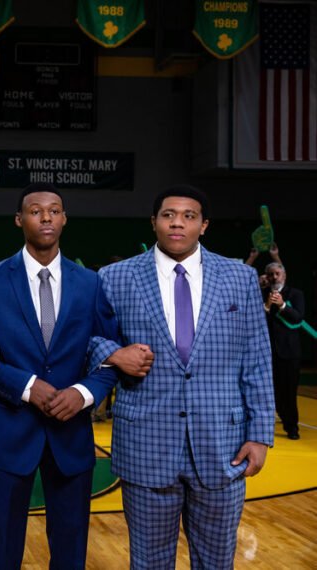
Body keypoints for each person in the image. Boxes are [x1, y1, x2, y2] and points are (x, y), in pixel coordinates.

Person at [88, 185, 274, 568]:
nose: (177, 222)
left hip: (224, 445)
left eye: (189, 216)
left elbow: (257, 359)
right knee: (149, 562)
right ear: (153, 222)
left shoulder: (239, 277)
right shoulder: (114, 278)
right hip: (146, 444)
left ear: (204, 225)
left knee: (216, 562)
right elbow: (85, 338)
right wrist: (113, 353)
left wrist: (259, 435)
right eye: (168, 214)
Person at [0, 183, 118, 569]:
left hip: (70, 432)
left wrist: (84, 393)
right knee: (2, 547)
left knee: (71, 546)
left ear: (64, 219)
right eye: (35, 210)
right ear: (19, 219)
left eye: (54, 210)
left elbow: (110, 353)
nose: (45, 217)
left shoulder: (91, 283)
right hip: (9, 429)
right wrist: (24, 385)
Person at [264, 262, 305, 440]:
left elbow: (298, 318)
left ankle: (292, 428)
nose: (274, 277)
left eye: (277, 274)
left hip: (289, 353)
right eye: (271, 274)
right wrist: (266, 305)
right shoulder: (262, 294)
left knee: (289, 391)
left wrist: (282, 306)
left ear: (284, 276)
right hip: (267, 353)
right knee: (271, 392)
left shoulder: (296, 294)